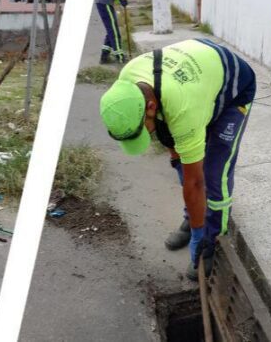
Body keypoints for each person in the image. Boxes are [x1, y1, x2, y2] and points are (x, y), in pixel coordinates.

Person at [99, 39, 256, 280]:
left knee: (215, 174)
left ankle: (212, 242)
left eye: (143, 129)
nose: (146, 135)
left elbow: (195, 182)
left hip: (233, 87)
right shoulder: (127, 84)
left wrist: (199, 234)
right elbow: (171, 144)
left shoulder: (182, 108)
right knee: (184, 164)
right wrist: (193, 217)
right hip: (197, 77)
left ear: (150, 107)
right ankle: (193, 218)